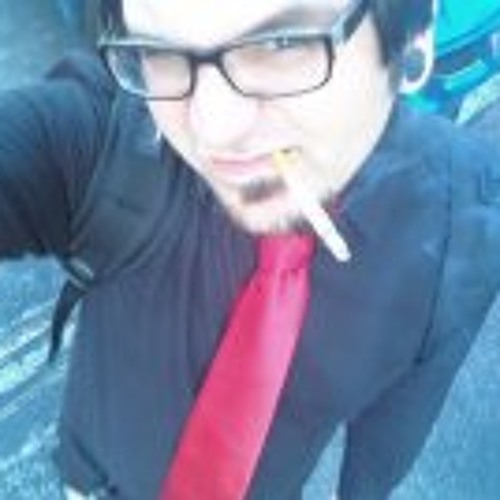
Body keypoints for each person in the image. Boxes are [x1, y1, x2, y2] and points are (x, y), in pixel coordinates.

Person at [1, 0, 500, 499]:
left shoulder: (463, 219)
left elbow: (394, 430)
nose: (213, 130)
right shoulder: (115, 138)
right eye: (159, 51)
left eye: (282, 43)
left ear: (413, 34)